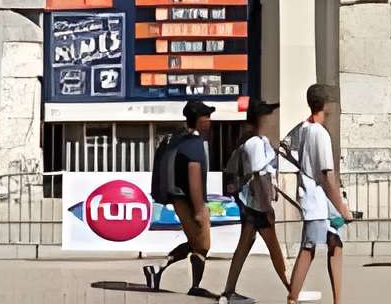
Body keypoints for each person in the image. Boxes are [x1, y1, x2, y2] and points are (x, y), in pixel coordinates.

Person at [216, 103, 292, 304]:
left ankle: (229, 292)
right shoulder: (255, 144)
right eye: (271, 116)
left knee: (244, 246)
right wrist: (267, 208)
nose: (275, 120)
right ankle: (294, 290)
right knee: (274, 249)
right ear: (262, 120)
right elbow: (259, 176)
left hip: (251, 202)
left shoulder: (257, 141)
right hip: (256, 204)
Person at [280, 84, 348, 304]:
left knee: (335, 244)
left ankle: (338, 300)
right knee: (308, 249)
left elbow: (284, 146)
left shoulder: (304, 127)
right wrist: (343, 208)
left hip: (318, 200)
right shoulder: (320, 133)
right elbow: (327, 176)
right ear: (325, 105)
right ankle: (292, 299)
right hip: (318, 201)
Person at [147, 99, 216, 296]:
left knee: (195, 243)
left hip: (177, 198)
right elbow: (193, 174)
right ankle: (194, 287)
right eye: (206, 117)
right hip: (187, 200)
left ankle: (158, 268)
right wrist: (199, 210)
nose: (209, 121)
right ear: (199, 120)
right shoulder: (194, 143)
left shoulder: (178, 138)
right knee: (202, 246)